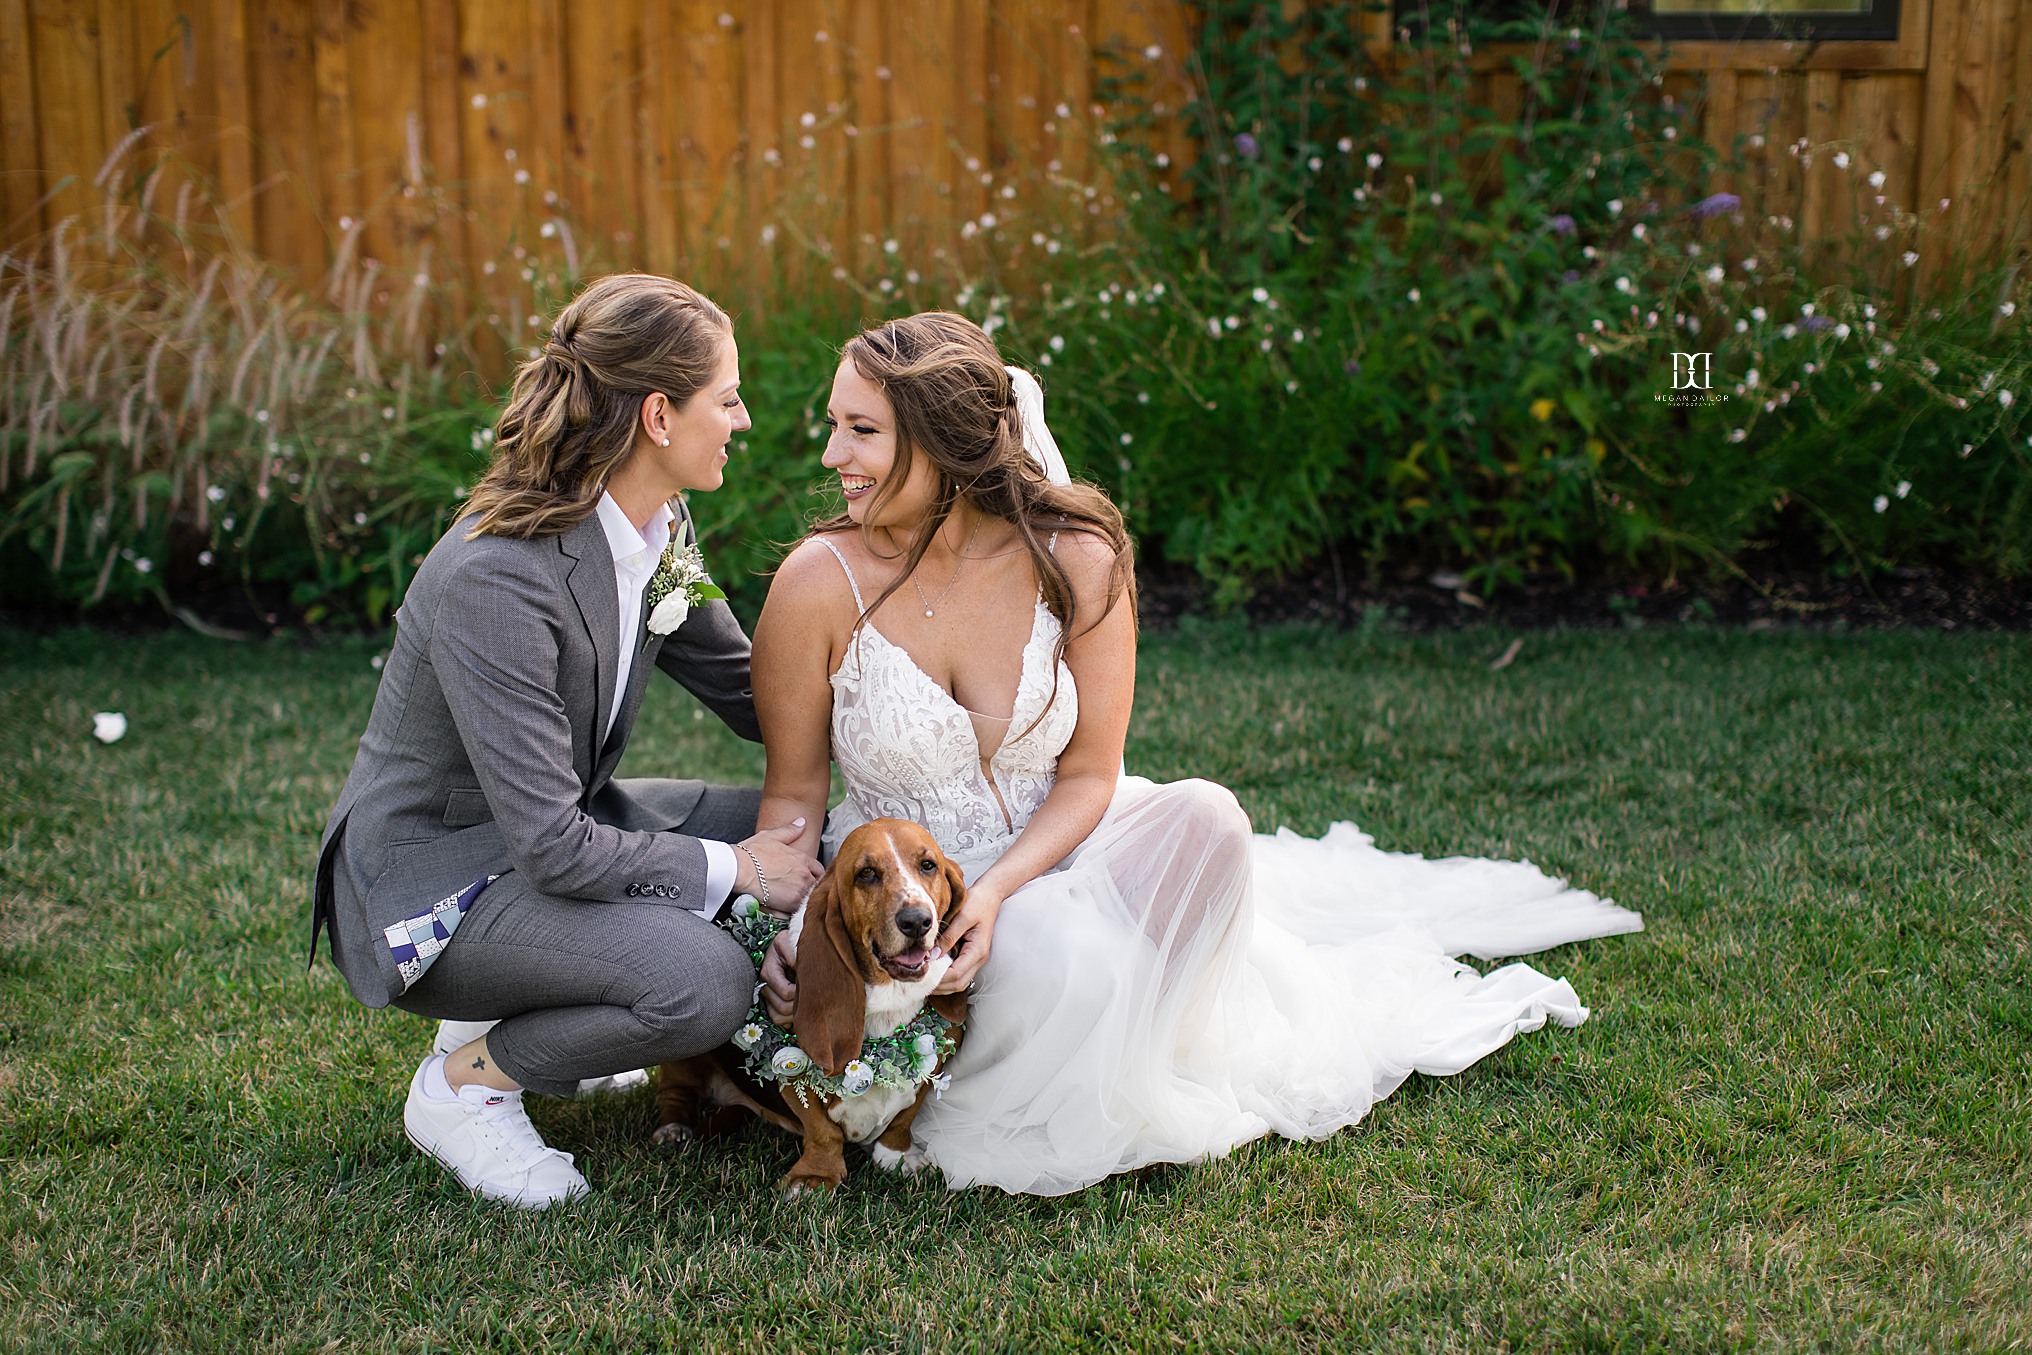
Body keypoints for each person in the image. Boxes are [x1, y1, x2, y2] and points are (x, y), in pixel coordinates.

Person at [749, 312, 1643, 1196]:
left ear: (942, 441)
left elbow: (1094, 771)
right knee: (1068, 958)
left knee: (1211, 817)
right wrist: (784, 933)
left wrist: (992, 891)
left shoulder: (1078, 558)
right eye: (835, 426)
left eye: (860, 430)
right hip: (904, 885)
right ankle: (1017, 1039)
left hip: (1059, 845)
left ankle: (1135, 1028)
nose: (833, 455)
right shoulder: (816, 585)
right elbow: (792, 799)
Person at [309, 274, 823, 1209]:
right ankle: (466, 1084)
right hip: (442, 882)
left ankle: (556, 995)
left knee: (815, 835)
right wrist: (739, 870)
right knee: (702, 984)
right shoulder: (497, 577)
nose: (742, 420)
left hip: (546, 832)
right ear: (660, 416)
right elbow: (550, 843)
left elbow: (753, 696)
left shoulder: (656, 522)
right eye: (729, 397)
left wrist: (907, 676)